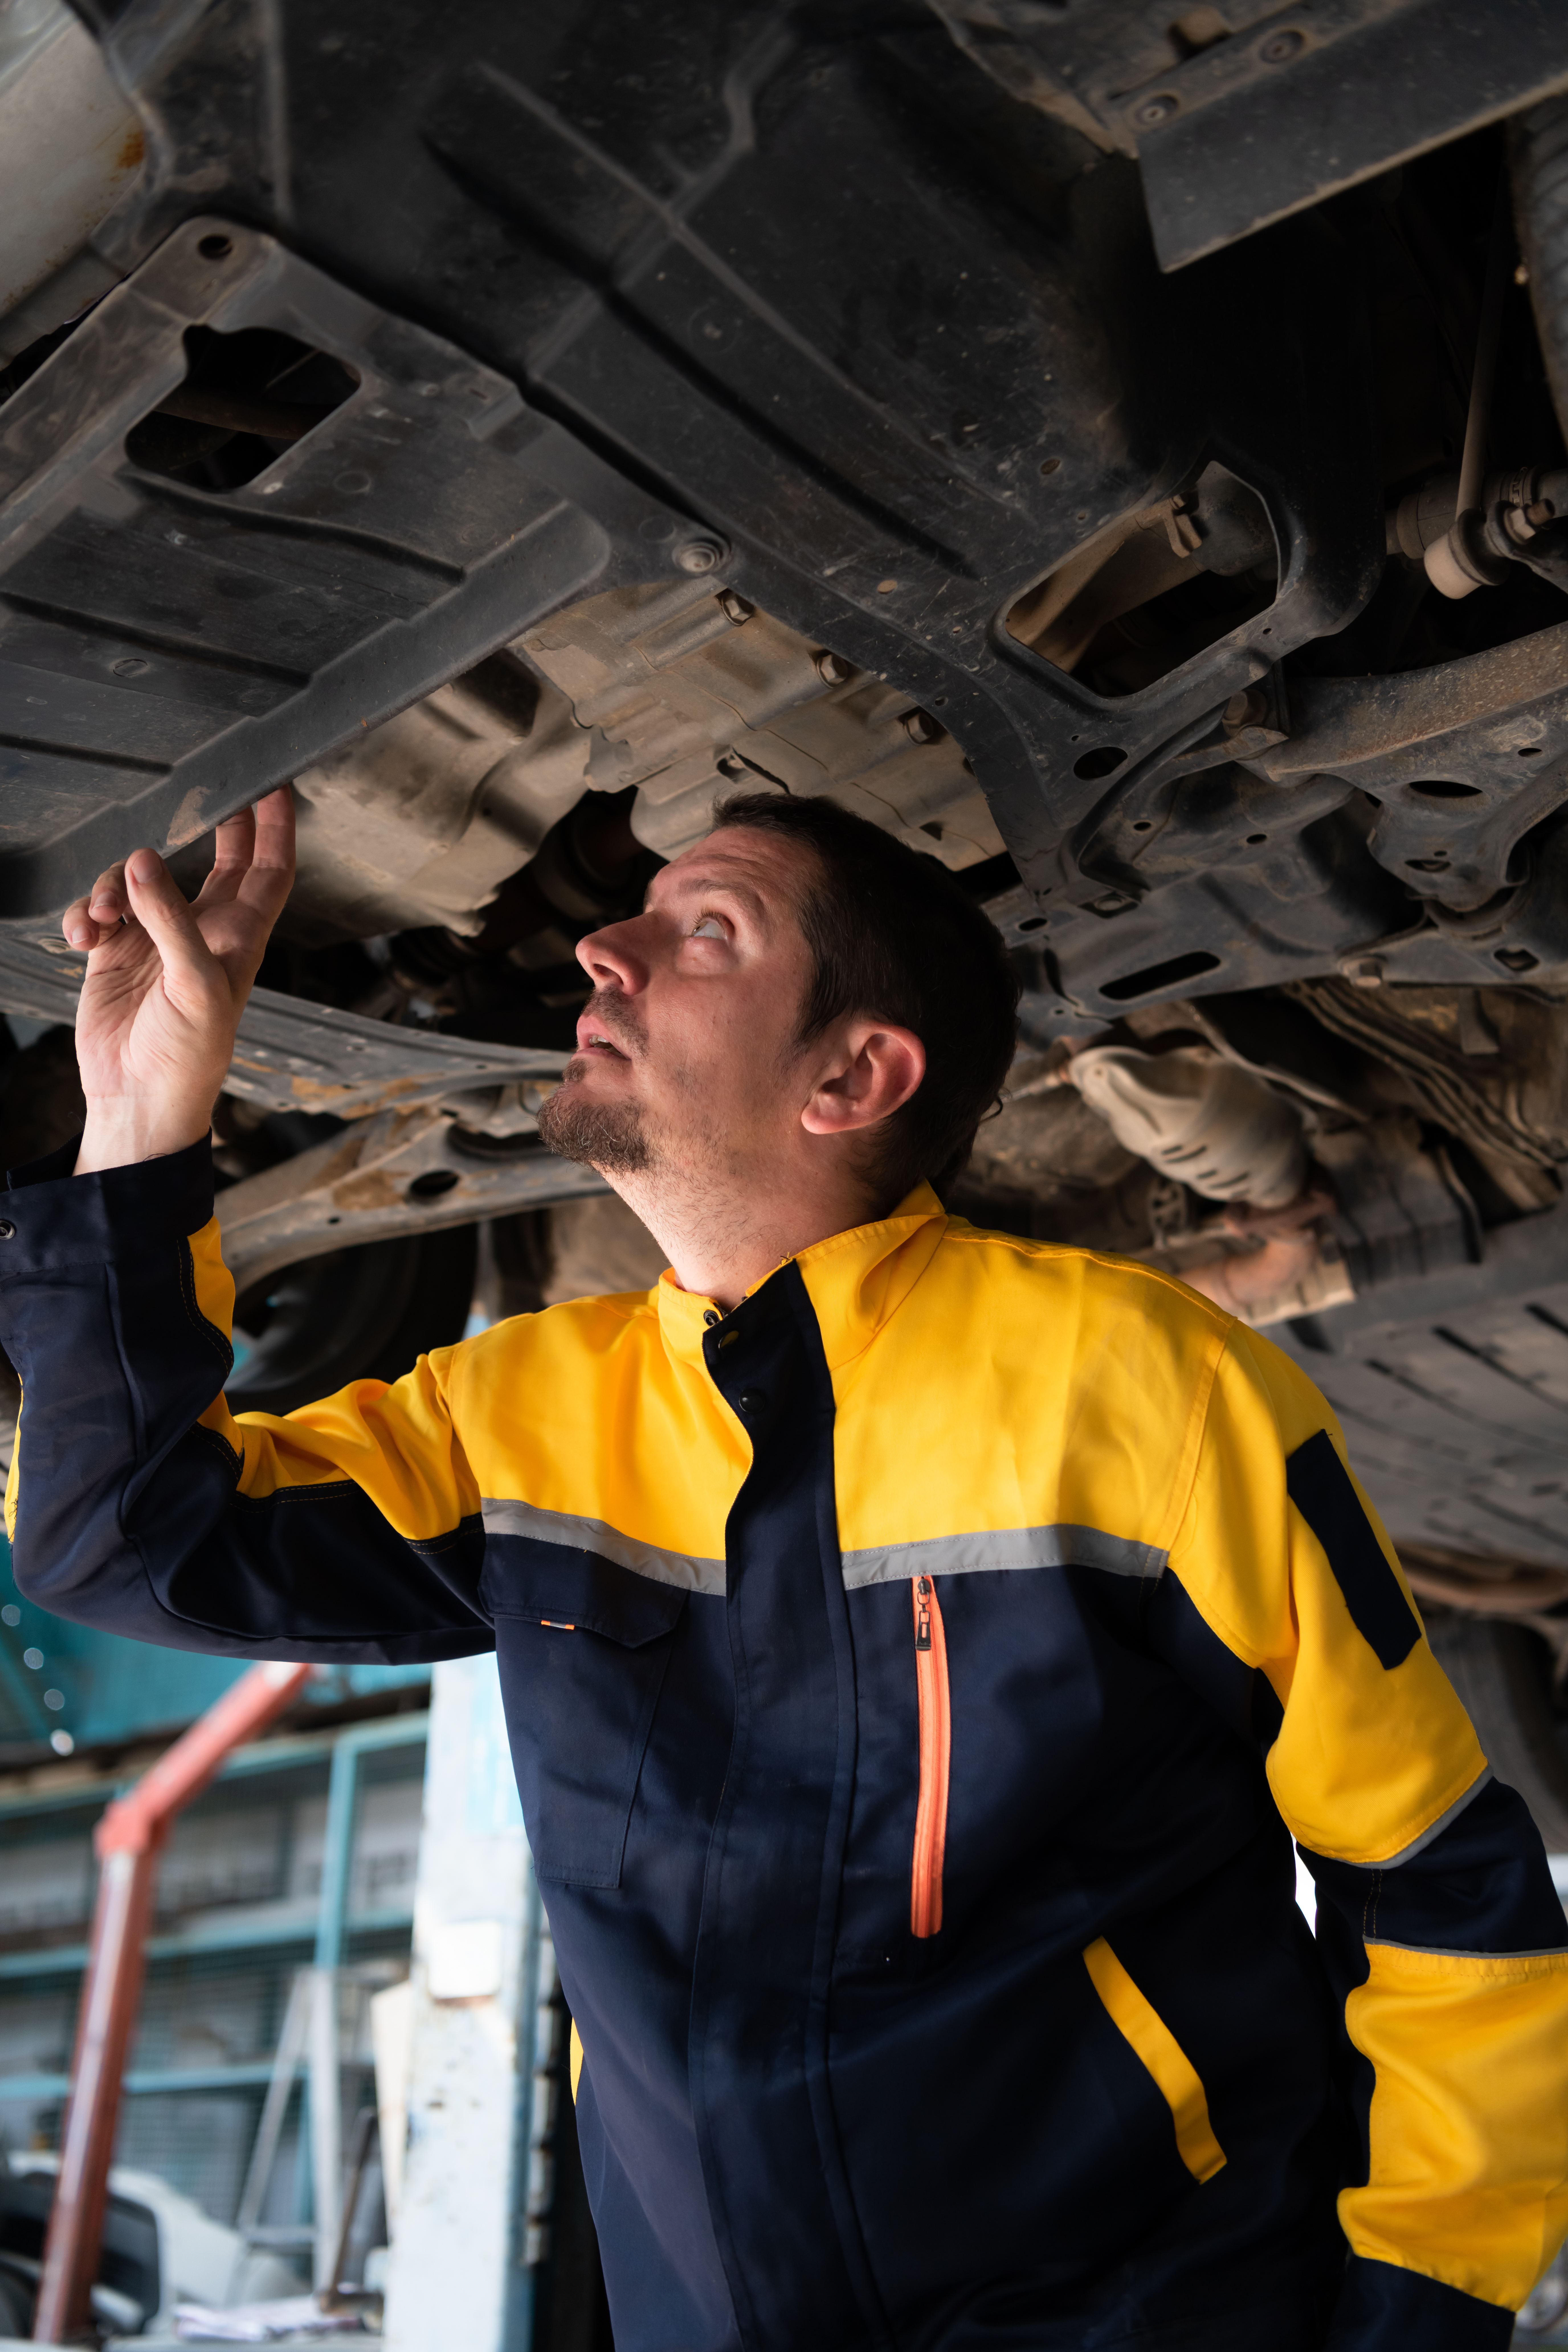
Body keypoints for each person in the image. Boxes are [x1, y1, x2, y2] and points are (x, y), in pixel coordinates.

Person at [3, 783, 1566, 2352]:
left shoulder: (1140, 1388)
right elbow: (124, 1540)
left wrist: (1420, 2315)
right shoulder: (524, 1416)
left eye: (703, 931)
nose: (602, 949)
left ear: (853, 1074)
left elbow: (1437, 1886)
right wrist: (140, 1122)